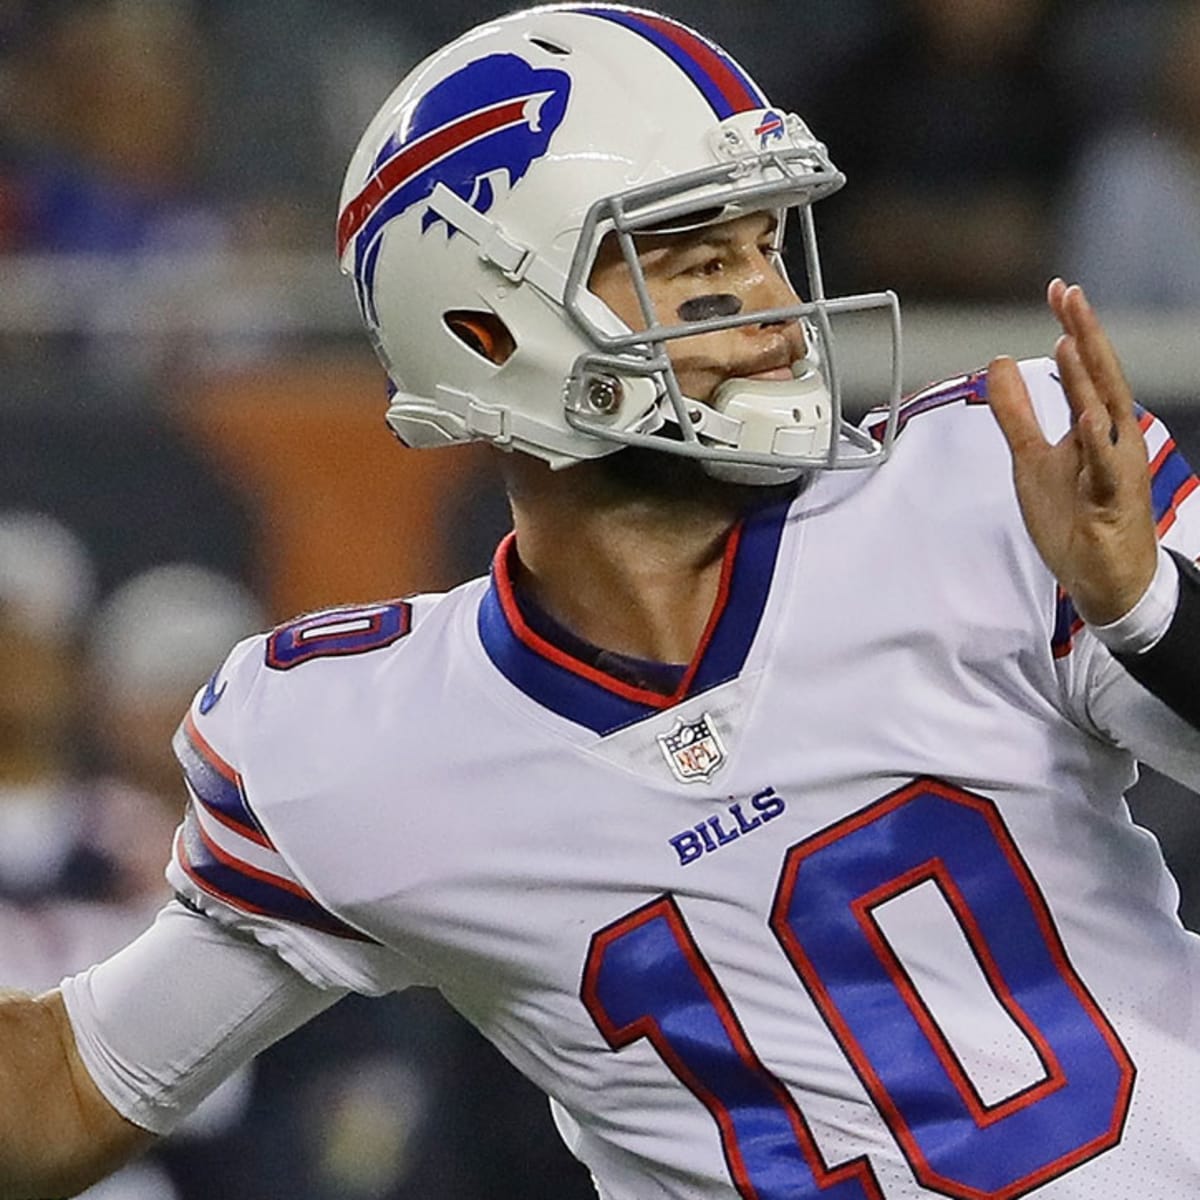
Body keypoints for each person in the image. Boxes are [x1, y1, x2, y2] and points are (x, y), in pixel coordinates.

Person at [3, 5, 1200, 1199]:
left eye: (766, 244)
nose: (772, 305)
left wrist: (1148, 608)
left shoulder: (996, 480)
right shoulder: (359, 753)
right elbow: (60, 1102)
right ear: (485, 328)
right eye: (697, 263)